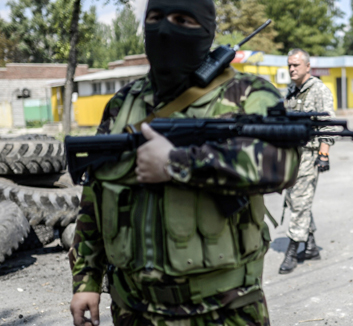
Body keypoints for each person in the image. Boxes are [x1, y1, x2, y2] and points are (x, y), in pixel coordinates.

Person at [68, 0, 300, 325]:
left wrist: (176, 163)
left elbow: (282, 163)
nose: (165, 30)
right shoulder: (123, 105)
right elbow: (95, 196)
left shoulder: (248, 94)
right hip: (133, 310)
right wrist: (86, 281)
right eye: (155, 18)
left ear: (206, 31)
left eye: (181, 20)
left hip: (223, 310)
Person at [278, 49, 336, 274]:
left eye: (295, 65)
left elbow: (328, 124)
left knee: (300, 200)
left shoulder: (319, 90)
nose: (292, 69)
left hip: (310, 154)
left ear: (307, 67)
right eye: (289, 65)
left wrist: (324, 154)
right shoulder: (292, 90)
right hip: (293, 153)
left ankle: (292, 250)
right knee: (295, 199)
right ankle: (311, 246)